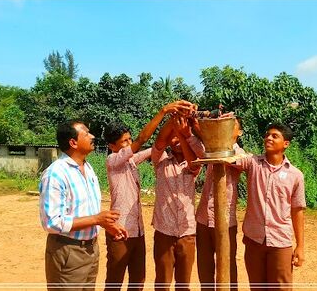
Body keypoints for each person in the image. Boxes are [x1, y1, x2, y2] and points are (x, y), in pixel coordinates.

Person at [103, 101, 196, 291]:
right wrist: (164, 112)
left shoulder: (130, 162)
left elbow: (157, 145)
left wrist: (180, 123)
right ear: (112, 146)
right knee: (114, 281)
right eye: (125, 142)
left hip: (137, 232)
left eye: (130, 140)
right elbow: (144, 142)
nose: (129, 144)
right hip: (119, 230)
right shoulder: (114, 160)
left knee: (138, 281)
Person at [39, 120, 128, 291]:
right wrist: (96, 219)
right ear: (73, 142)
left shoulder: (88, 168)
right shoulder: (55, 174)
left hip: (91, 249)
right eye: (86, 134)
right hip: (68, 251)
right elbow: (51, 222)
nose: (92, 136)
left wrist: (106, 224)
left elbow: (87, 211)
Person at [230, 123, 305, 291]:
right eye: (267, 135)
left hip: (280, 241)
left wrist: (300, 246)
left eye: (274, 136)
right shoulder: (252, 163)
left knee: (281, 287)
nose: (268, 138)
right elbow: (228, 155)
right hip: (254, 239)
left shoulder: (295, 175)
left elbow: (297, 210)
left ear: (286, 144)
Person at [188, 118, 245, 291]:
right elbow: (197, 147)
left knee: (227, 266)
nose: (225, 129)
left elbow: (239, 161)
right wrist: (191, 126)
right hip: (204, 219)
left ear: (239, 132)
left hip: (226, 222)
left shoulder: (240, 154)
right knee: (204, 269)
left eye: (231, 126)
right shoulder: (210, 150)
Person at [151, 116, 202, 291]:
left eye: (179, 136)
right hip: (164, 232)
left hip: (187, 234)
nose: (176, 140)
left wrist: (183, 135)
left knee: (184, 284)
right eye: (172, 137)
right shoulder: (160, 162)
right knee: (163, 282)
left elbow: (193, 164)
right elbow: (159, 141)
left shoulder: (193, 163)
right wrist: (173, 122)